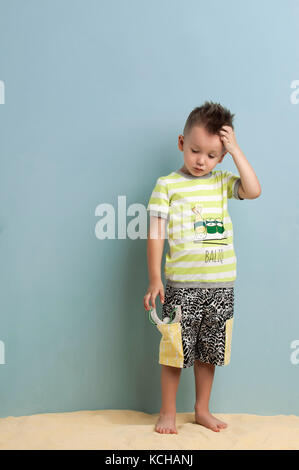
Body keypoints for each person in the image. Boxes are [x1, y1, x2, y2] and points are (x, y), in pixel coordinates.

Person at [143, 101, 261, 434]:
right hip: (182, 285)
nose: (201, 161)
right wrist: (155, 278)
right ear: (182, 143)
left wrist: (236, 150)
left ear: (221, 157)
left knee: (209, 352)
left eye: (211, 155)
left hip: (220, 286)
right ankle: (167, 410)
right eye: (195, 151)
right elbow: (155, 234)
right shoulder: (167, 185)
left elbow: (253, 190)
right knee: (174, 350)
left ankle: (201, 409)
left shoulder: (222, 181)